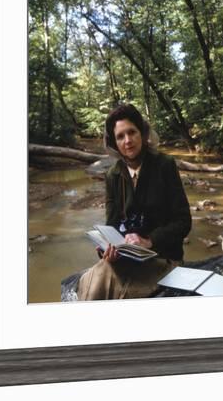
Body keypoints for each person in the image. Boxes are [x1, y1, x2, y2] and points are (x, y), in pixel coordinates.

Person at [77, 104, 192, 300]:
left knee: (105, 281)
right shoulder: (112, 174)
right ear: (114, 143)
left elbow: (183, 222)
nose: (128, 141)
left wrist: (149, 241)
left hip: (163, 258)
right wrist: (107, 248)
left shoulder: (165, 165)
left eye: (132, 132)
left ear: (143, 133)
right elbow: (112, 225)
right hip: (127, 259)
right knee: (95, 275)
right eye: (120, 136)